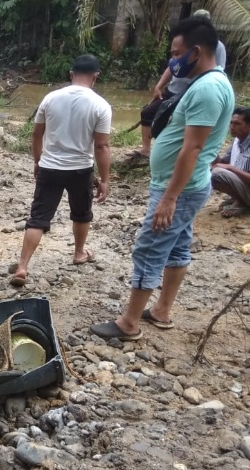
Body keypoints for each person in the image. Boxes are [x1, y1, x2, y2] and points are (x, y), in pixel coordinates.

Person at [90, 16, 234, 340]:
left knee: (150, 247)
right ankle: (162, 311)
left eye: (176, 52)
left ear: (196, 51)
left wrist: (169, 197)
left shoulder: (209, 89)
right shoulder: (211, 83)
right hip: (186, 185)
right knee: (178, 246)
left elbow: (193, 148)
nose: (173, 60)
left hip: (179, 188)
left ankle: (128, 323)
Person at [9, 54, 111, 287]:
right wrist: (104, 179)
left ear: (71, 74)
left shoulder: (50, 98)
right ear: (95, 77)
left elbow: (37, 135)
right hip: (80, 170)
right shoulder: (101, 105)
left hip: (50, 167)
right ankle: (78, 253)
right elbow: (102, 145)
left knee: (38, 218)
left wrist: (37, 161)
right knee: (82, 212)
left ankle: (23, 266)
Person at [130, 9, 226, 159]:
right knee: (149, 112)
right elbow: (172, 67)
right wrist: (159, 86)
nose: (175, 58)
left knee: (185, 124)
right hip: (173, 90)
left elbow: (217, 67)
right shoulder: (184, 43)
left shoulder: (215, 52)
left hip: (188, 92)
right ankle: (146, 149)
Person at [211, 107, 250, 217]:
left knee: (217, 173)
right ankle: (240, 199)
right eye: (231, 123)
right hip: (244, 185)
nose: (232, 127)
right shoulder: (237, 141)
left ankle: (242, 202)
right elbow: (221, 163)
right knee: (208, 172)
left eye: (237, 124)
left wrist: (230, 168)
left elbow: (224, 168)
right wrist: (211, 150)